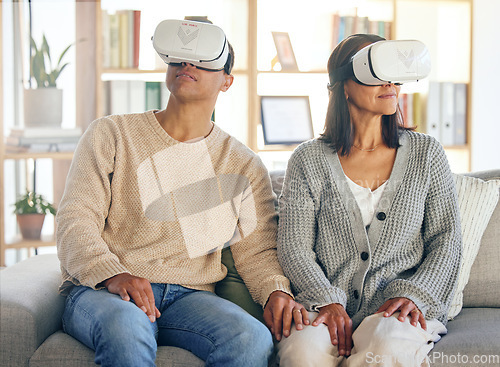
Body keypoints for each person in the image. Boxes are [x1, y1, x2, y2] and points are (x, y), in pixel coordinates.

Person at [56, 20, 306, 367]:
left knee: (251, 339)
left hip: (190, 297)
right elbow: (75, 219)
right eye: (179, 58)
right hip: (104, 290)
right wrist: (113, 273)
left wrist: (276, 290)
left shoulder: (243, 164)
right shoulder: (111, 134)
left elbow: (258, 249)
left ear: (227, 81)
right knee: (126, 326)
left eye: (204, 61)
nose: (187, 65)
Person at [276, 34, 462, 367]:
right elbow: (294, 247)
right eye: (376, 73)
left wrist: (414, 294)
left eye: (394, 73)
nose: (390, 83)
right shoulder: (308, 160)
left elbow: (446, 239)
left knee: (385, 348)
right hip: (324, 305)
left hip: (398, 307)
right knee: (302, 352)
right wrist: (327, 301)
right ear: (344, 86)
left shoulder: (427, 154)